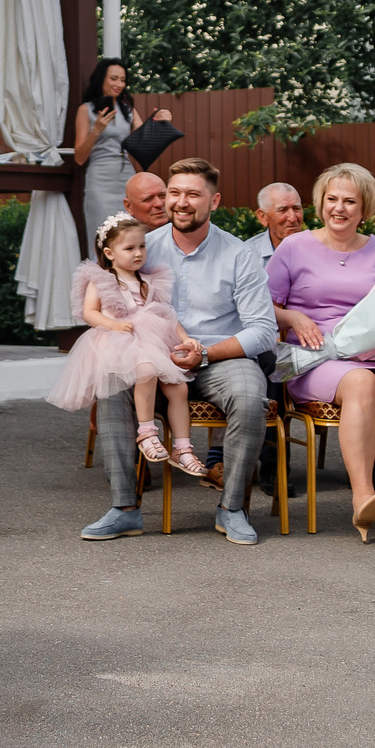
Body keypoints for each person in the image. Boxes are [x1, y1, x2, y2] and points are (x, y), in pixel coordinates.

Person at [80, 157, 276, 545]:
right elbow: (105, 298)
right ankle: (124, 509)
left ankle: (232, 507)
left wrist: (206, 354)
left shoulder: (240, 255)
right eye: (174, 193)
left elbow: (263, 330)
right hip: (150, 354)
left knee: (252, 396)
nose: (181, 202)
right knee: (112, 384)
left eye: (192, 194)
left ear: (214, 201)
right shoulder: (141, 247)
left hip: (219, 356)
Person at [267, 162, 375, 542]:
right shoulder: (295, 246)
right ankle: (363, 494)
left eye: (350, 201)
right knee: (359, 382)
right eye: (332, 199)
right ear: (320, 202)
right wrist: (292, 316)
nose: (339, 208)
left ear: (365, 209)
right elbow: (262, 306)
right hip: (318, 357)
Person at [55, 211, 198, 463]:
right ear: (110, 253)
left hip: (152, 340)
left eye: (142, 246)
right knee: (147, 370)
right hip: (118, 341)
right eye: (129, 248)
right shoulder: (101, 280)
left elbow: (166, 315)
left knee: (179, 388)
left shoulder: (149, 280)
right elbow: (89, 312)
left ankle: (183, 448)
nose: (138, 253)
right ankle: (146, 433)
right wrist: (113, 325)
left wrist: (185, 338)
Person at [73, 58, 172, 258]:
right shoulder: (86, 110)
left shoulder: (127, 109)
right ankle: (100, 284)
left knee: (132, 232)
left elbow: (146, 143)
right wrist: (97, 129)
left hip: (126, 176)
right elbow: (79, 158)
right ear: (102, 79)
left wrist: (161, 122)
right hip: (99, 180)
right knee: (102, 235)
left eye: (123, 80)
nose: (119, 84)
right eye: (114, 79)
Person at [240, 182, 304, 265]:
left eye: (296, 208)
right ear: (263, 217)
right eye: (282, 210)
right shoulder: (247, 256)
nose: (293, 218)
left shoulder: (318, 248)